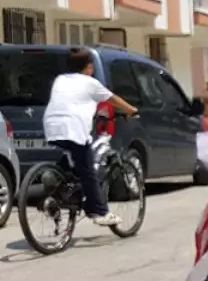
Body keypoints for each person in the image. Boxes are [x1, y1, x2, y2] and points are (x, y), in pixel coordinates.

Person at [42, 48, 137, 227]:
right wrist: (131, 110)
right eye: (91, 65)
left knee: (74, 160)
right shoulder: (90, 83)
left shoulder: (60, 79)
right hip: (74, 128)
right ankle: (100, 212)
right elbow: (112, 98)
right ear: (87, 67)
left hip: (52, 126)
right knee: (88, 171)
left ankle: (54, 186)